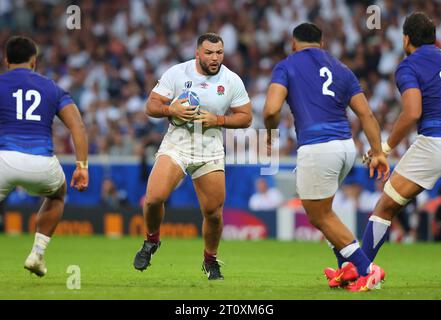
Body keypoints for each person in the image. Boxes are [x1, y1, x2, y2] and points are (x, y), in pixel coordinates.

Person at [263, 23, 390, 291]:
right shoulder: (341, 68)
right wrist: (378, 151)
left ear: (293, 43)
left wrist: (271, 131)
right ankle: (347, 268)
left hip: (318, 147)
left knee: (319, 216)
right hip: (345, 147)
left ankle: (367, 269)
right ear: (322, 42)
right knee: (325, 212)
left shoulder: (286, 65)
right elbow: (366, 114)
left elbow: (271, 109)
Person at [133, 33, 252, 280]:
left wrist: (218, 120)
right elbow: (151, 106)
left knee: (213, 213)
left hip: (209, 147)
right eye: (209, 53)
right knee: (154, 199)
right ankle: (151, 241)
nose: (215, 58)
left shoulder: (231, 80)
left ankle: (210, 260)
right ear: (197, 53)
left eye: (219, 52)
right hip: (177, 143)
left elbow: (246, 117)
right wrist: (170, 109)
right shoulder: (177, 73)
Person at [361, 12, 441, 263]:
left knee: (386, 207)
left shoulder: (409, 65)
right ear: (435, 39)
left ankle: (362, 271)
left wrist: (384, 149)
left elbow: (412, 113)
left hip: (435, 140)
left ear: (406, 38)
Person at [0, 36, 89, 277]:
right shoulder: (52, 87)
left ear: (6, 60)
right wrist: (82, 166)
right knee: (57, 195)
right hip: (41, 163)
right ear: (34, 61)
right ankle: (37, 254)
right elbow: (78, 126)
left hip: (4, 159)